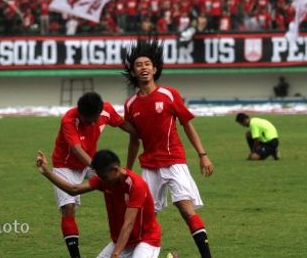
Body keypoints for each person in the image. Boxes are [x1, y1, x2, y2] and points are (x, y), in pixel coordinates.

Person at [123, 39, 214, 258]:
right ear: (133, 72)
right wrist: (127, 171)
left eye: (147, 64)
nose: (144, 67)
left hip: (174, 161)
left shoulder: (170, 94)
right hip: (149, 167)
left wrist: (203, 155)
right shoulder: (130, 105)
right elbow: (134, 140)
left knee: (185, 208)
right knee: (146, 218)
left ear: (154, 69)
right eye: (139, 65)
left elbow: (187, 125)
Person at [50, 91, 137, 258]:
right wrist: (98, 168)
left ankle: (133, 235)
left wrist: (139, 134)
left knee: (123, 184)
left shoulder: (106, 110)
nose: (92, 123)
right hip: (65, 165)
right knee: (68, 208)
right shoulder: (69, 120)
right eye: (87, 120)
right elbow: (76, 149)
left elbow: (124, 125)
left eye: (94, 119)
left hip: (91, 162)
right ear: (80, 113)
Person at [37, 149, 161, 258]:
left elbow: (128, 224)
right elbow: (73, 190)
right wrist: (47, 173)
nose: (102, 181)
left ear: (116, 170)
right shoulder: (103, 180)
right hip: (122, 241)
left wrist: (115, 254)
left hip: (146, 240)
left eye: (105, 177)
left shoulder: (136, 185)